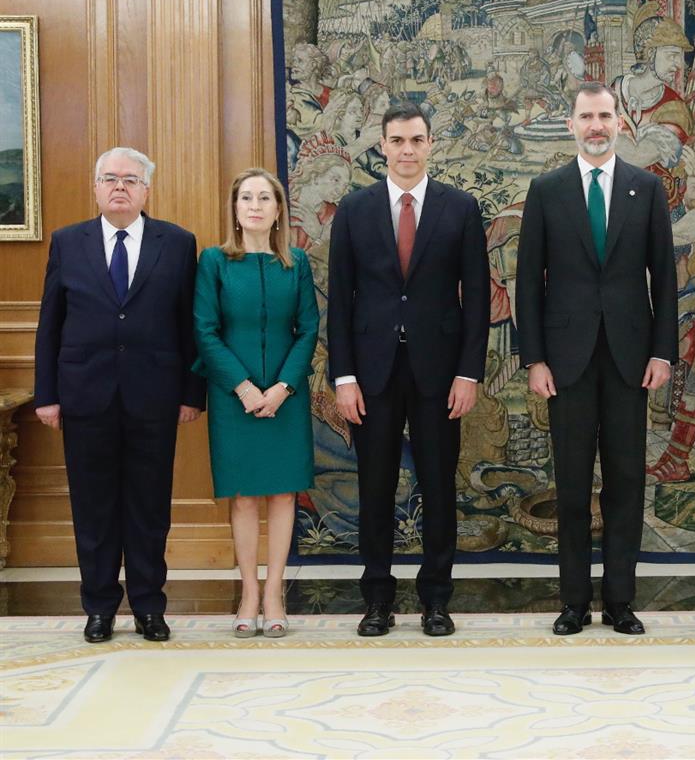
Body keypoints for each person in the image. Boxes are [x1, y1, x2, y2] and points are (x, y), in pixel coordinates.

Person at [515, 81, 678, 636]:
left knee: (627, 482)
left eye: (605, 116)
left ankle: (620, 602)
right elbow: (528, 283)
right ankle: (574, 603)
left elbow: (665, 276)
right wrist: (534, 359)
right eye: (586, 116)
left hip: (632, 360)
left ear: (619, 122)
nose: (596, 126)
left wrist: (663, 351)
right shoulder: (547, 189)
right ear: (571, 124)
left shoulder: (646, 190)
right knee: (571, 486)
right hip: (565, 363)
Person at [327, 101, 489, 637]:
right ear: (382, 145)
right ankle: (376, 600)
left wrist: (469, 374)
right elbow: (341, 302)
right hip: (370, 375)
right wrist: (343, 376)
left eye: (416, 140)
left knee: (439, 486)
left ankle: (436, 600)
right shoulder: (354, 209)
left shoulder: (460, 208)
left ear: (430, 144)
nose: (407, 150)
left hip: (440, 374)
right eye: (397, 141)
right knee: (374, 486)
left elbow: (478, 298)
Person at [33, 147, 205, 643]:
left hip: (155, 397)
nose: (120, 187)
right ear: (95, 187)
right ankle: (100, 608)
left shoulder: (176, 243)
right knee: (94, 509)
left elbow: (187, 326)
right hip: (85, 397)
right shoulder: (69, 242)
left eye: (130, 179)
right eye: (109, 178)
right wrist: (47, 394)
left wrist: (192, 392)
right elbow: (51, 324)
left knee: (149, 508)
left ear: (147, 189)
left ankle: (150, 607)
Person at [193, 168, 319, 638]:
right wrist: (243, 387)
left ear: (279, 209)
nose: (255, 205)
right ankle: (248, 591)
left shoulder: (297, 263)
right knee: (245, 497)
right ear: (235, 208)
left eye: (265, 197)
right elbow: (204, 329)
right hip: (233, 397)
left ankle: (274, 593)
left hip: (285, 396)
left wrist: (283, 386)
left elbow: (308, 328)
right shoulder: (215, 261)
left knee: (283, 494)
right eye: (247, 197)